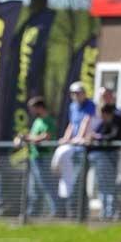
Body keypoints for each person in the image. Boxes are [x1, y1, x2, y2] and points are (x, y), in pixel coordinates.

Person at [52, 81, 96, 216]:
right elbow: (72, 124)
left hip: (83, 149)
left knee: (79, 181)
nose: (75, 96)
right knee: (71, 181)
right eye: (73, 93)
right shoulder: (73, 107)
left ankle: (81, 212)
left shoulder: (90, 105)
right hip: (73, 149)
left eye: (78, 93)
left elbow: (86, 121)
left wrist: (79, 138)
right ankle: (74, 211)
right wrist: (66, 138)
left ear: (84, 93)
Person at [14, 96, 57, 217]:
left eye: (32, 108)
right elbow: (32, 136)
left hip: (43, 157)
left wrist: (26, 138)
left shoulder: (48, 120)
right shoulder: (37, 121)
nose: (31, 111)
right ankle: (32, 213)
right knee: (33, 187)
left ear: (39, 107)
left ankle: (56, 211)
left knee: (46, 185)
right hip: (34, 157)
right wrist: (23, 137)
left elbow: (45, 137)